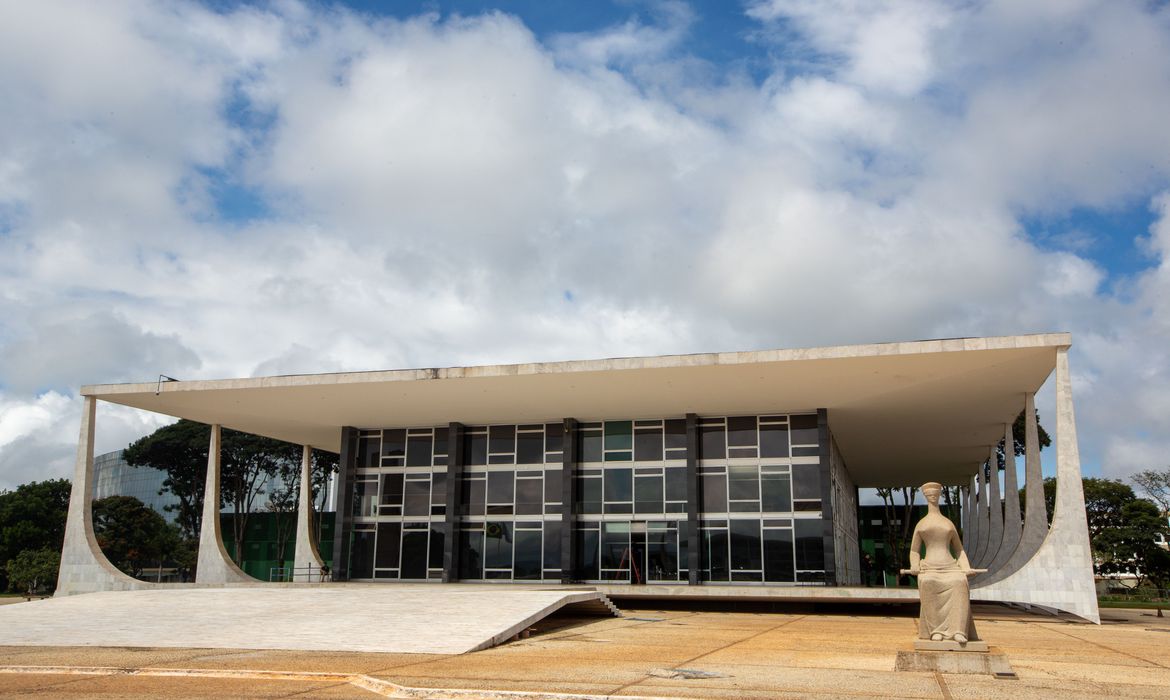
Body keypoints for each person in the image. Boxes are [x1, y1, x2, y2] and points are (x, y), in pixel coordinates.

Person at [906, 482, 980, 644]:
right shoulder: (922, 524)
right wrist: (914, 565)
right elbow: (914, 551)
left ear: (939, 496)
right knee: (927, 582)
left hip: (950, 567)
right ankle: (936, 630)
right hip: (929, 568)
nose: (932, 497)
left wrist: (965, 567)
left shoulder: (948, 523)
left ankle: (958, 630)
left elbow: (959, 550)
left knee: (960, 582)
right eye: (929, 495)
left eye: (935, 494)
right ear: (926, 496)